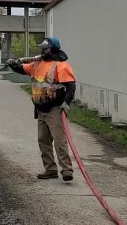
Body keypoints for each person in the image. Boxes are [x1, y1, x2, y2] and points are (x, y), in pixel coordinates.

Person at [6, 37, 76, 182]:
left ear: (54, 49)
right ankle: (50, 169)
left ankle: (66, 170)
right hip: (41, 109)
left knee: (59, 140)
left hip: (55, 109)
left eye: (45, 49)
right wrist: (12, 64)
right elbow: (22, 69)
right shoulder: (36, 64)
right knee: (43, 140)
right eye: (41, 49)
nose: (42, 51)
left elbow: (71, 86)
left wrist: (66, 103)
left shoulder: (61, 66)